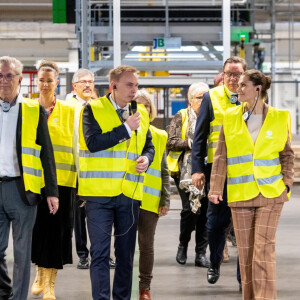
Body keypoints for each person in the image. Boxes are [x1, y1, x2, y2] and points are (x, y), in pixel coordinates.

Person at [208, 69, 294, 300]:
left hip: (271, 193)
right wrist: (216, 188)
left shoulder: (279, 117)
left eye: (244, 84)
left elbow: (287, 155)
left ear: (258, 88)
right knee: (245, 255)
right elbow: (221, 156)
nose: (238, 87)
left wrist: (286, 183)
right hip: (240, 194)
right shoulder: (230, 116)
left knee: (262, 250)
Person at [78, 65, 154, 300]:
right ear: (113, 87)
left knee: (125, 255)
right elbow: (92, 143)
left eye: (136, 85)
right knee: (100, 254)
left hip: (128, 194)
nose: (135, 90)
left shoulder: (139, 111)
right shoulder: (92, 109)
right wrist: (125, 129)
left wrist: (146, 159)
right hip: (99, 196)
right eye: (129, 85)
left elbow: (148, 145)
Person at [0, 56, 58, 300]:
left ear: (20, 79)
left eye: (9, 76)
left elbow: (47, 153)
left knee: (22, 254)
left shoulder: (33, 110)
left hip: (22, 191)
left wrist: (52, 192)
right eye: (0, 76)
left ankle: (18, 298)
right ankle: (4, 291)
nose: (3, 81)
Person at [191, 56, 247, 284]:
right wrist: (197, 169)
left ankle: (242, 275)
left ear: (244, 75)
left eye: (237, 74)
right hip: (217, 172)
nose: (233, 79)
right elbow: (200, 137)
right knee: (215, 224)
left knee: (244, 226)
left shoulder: (252, 97)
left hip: (245, 172)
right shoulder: (210, 97)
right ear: (222, 75)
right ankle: (214, 263)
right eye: (229, 74)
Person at [31, 61, 77, 300]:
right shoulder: (28, 109)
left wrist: (82, 185)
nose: (46, 84)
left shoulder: (70, 111)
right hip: (35, 181)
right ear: (36, 82)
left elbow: (78, 147)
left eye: (50, 80)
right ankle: (39, 272)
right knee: (38, 231)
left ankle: (50, 283)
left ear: (57, 83)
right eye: (42, 80)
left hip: (63, 182)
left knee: (58, 233)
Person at [67, 69, 116, 270]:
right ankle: (82, 254)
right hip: (77, 169)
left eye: (90, 82)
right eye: (83, 82)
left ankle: (103, 253)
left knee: (102, 215)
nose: (87, 85)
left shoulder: (99, 106)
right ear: (74, 86)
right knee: (80, 216)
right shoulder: (67, 107)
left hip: (98, 170)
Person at [167, 82, 210, 268]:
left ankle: (200, 253)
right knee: (189, 211)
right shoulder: (181, 116)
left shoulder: (213, 117)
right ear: (190, 100)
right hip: (184, 173)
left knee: (205, 213)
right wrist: (192, 143)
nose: (204, 101)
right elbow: (171, 141)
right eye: (200, 97)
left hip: (208, 169)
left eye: (206, 97)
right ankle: (182, 245)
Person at [134, 89, 170, 300]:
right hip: (126, 197)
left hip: (150, 200)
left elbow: (163, 170)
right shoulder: (123, 132)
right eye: (137, 104)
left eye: (146, 105)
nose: (142, 109)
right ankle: (122, 284)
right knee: (124, 245)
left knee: (146, 246)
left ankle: (144, 287)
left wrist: (165, 198)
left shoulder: (159, 136)